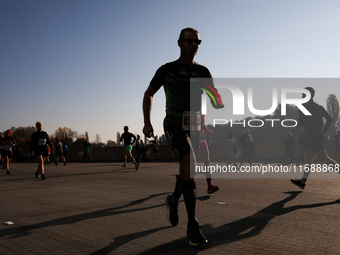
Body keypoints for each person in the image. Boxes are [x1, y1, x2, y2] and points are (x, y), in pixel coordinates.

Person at [142, 27, 224, 246]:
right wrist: (147, 122)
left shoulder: (203, 71)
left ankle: (173, 200)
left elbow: (214, 98)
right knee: (189, 162)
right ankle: (193, 227)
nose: (193, 45)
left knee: (189, 172)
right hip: (174, 123)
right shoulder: (167, 69)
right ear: (179, 43)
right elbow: (148, 93)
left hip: (194, 124)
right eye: (189, 41)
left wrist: (216, 99)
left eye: (197, 42)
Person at [291, 87, 338, 189]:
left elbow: (302, 122)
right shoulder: (319, 107)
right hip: (317, 136)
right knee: (308, 158)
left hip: (312, 136)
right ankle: (302, 181)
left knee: (324, 159)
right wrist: (323, 131)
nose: (302, 96)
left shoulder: (303, 107)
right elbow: (330, 119)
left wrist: (295, 123)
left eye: (303, 95)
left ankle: (302, 181)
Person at [199, 115, 219, 194]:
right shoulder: (190, 107)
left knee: (207, 162)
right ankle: (181, 178)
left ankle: (210, 185)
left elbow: (202, 124)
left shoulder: (202, 111)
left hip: (202, 139)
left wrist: (206, 129)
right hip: (192, 137)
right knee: (189, 162)